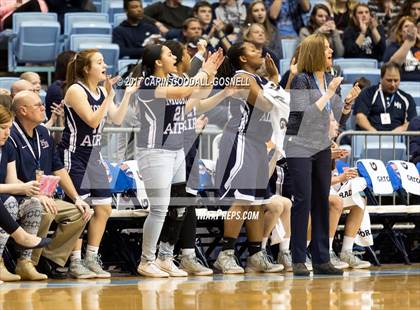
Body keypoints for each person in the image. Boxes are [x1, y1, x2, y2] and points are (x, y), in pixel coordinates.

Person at [134, 44, 223, 277]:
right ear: (157, 62)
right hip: (154, 151)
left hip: (175, 151)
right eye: (169, 54)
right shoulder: (150, 83)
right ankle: (146, 260)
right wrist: (203, 72)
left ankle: (165, 257)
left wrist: (210, 73)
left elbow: (196, 97)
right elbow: (185, 92)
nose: (174, 57)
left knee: (179, 206)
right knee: (160, 209)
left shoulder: (172, 82)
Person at [59, 49, 139, 278]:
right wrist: (109, 97)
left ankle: (91, 258)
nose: (105, 65)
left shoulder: (102, 90)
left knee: (103, 208)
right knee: (79, 210)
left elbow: (117, 119)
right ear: (86, 69)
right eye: (99, 62)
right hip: (74, 155)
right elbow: (93, 121)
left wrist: (126, 95)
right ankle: (75, 262)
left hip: (94, 156)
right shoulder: (75, 90)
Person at [213, 41, 283, 274]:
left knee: (256, 202)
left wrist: (272, 79)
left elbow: (277, 104)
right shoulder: (242, 77)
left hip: (257, 144)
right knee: (242, 200)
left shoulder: (259, 79)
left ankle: (255, 255)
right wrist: (275, 79)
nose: (260, 51)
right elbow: (265, 104)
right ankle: (225, 255)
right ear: (242, 58)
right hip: (240, 140)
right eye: (252, 50)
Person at [9, 90, 91, 279]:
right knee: (43, 210)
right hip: (21, 196)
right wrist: (35, 195)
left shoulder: (43, 132)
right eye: (37, 105)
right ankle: (28, 262)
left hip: (46, 196)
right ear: (23, 110)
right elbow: (8, 177)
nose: (42, 107)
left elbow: (58, 168)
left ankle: (50, 258)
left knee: (81, 213)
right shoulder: (11, 135)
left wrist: (77, 198)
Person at [284, 33, 344, 276]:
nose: (330, 51)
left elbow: (333, 118)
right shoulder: (301, 80)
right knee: (303, 200)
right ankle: (298, 258)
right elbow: (301, 115)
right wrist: (329, 95)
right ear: (316, 52)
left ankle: (321, 259)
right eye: (326, 48)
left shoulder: (329, 78)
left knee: (321, 200)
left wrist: (345, 107)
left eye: (330, 48)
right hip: (299, 146)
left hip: (321, 146)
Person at [0, 103, 51, 281]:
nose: (7, 133)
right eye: (2, 128)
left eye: (9, 128)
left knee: (33, 204)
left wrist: (31, 190)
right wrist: (22, 188)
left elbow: (11, 180)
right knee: (10, 203)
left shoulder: (6, 146)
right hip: (5, 199)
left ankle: (25, 262)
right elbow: (14, 187)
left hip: (5, 195)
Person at [353, 62, 418, 132]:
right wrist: (375, 134)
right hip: (370, 136)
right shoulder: (368, 93)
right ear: (381, 79)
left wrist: (397, 132)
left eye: (396, 80)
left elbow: (412, 122)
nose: (393, 84)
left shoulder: (407, 99)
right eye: (389, 80)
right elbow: (360, 117)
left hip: (397, 138)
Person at [383, 16, 420, 82]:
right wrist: (408, 42)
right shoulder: (394, 47)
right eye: (406, 26)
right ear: (400, 31)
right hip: (404, 85)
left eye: (412, 27)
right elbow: (391, 66)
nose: (410, 29)